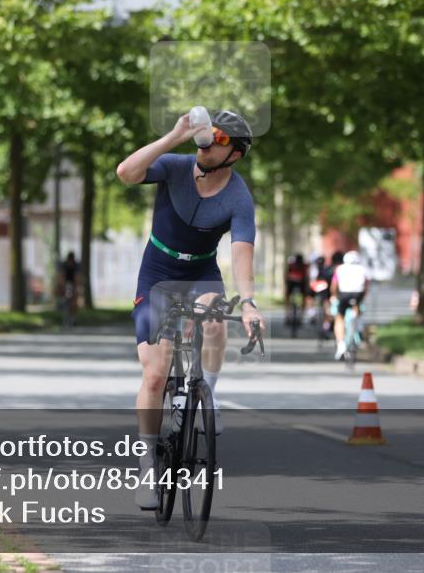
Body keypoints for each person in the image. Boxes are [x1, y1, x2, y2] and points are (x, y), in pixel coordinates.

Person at [115, 109, 266, 510]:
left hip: (201, 272)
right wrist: (173, 136)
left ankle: (207, 394)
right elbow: (126, 172)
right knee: (154, 375)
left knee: (216, 318)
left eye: (219, 139)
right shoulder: (176, 166)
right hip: (158, 273)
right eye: (207, 135)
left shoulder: (238, 197)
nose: (208, 144)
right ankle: (148, 464)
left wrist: (248, 303)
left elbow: (241, 253)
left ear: (235, 154)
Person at [331, 251, 369, 360]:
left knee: (339, 318)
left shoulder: (339, 269)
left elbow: (334, 285)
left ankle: (341, 345)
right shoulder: (363, 269)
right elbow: (366, 285)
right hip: (358, 294)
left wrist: (334, 296)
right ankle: (359, 330)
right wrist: (363, 297)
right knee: (357, 311)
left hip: (344, 295)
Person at [56, 251, 81, 324]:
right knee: (65, 299)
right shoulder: (63, 265)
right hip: (65, 283)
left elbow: (77, 277)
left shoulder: (76, 265)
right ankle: (65, 316)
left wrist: (77, 288)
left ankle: (74, 318)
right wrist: (61, 287)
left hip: (73, 283)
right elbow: (61, 277)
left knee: (75, 300)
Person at [284, 253, 308, 322]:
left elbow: (286, 276)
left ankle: (287, 314)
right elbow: (307, 277)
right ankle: (301, 315)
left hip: (292, 284)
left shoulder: (292, 265)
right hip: (301, 284)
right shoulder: (304, 266)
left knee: (287, 296)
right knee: (304, 297)